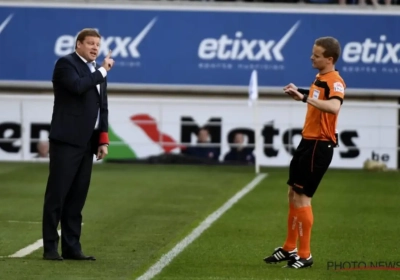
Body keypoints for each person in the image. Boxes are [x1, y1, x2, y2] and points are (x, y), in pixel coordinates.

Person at [263, 37, 346, 269]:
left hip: (320, 145)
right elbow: (317, 97)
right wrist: (299, 92)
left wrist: (305, 98)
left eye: (316, 55)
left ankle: (306, 254)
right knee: (292, 193)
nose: (312, 57)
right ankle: (289, 248)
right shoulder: (321, 78)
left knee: (302, 197)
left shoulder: (335, 81)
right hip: (307, 142)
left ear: (329, 59)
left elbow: (334, 106)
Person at [42, 28, 115, 261]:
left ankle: (72, 248)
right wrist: (102, 70)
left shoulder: (96, 71)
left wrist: (102, 139)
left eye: (97, 44)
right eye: (90, 43)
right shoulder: (66, 64)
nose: (95, 48)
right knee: (57, 196)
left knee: (77, 198)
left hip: (87, 143)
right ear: (79, 45)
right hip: (66, 141)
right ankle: (50, 248)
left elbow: (102, 107)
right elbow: (76, 86)